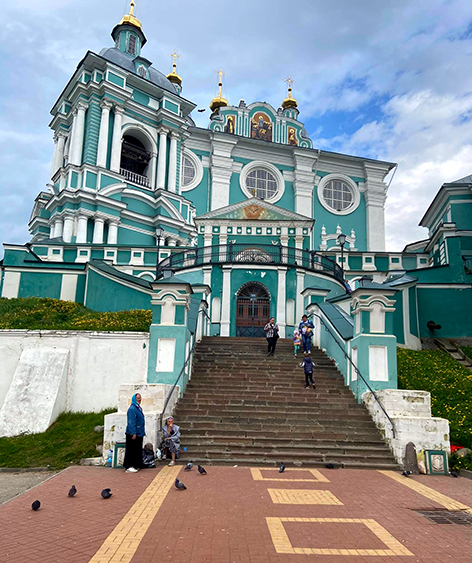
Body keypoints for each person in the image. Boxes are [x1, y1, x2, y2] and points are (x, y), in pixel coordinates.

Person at [123, 393, 145, 473]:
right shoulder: (132, 409)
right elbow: (131, 422)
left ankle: (137, 464)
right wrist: (133, 433)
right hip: (134, 433)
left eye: (140, 397)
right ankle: (129, 465)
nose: (139, 399)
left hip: (139, 432)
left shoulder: (138, 408)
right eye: (138, 398)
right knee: (131, 449)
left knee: (137, 449)